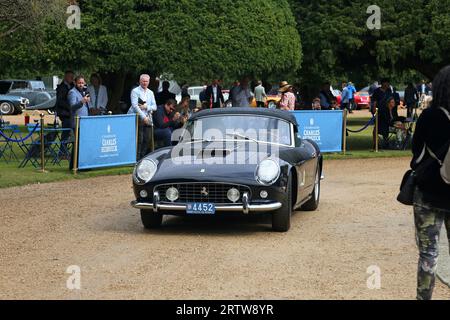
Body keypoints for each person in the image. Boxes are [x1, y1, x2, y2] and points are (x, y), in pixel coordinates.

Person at [410, 65, 450, 300]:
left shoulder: (429, 116)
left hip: (427, 195)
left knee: (428, 255)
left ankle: (423, 297)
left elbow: (417, 151)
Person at [127, 74, 157, 160]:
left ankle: (142, 158)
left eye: (146, 81)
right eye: (143, 81)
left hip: (148, 118)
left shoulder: (151, 92)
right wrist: (143, 117)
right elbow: (135, 106)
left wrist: (146, 107)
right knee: (139, 139)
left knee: (147, 139)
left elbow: (154, 106)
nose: (145, 83)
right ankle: (136, 159)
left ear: (149, 82)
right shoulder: (135, 91)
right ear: (140, 81)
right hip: (137, 118)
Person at [67, 75, 90, 170]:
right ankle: (76, 166)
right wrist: (82, 101)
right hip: (76, 122)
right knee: (77, 144)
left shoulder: (83, 92)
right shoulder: (72, 92)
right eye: (79, 83)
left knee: (82, 144)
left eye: (82, 83)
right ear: (75, 83)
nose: (81, 84)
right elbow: (72, 106)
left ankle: (77, 165)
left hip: (84, 122)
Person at [55, 70, 74, 140]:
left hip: (72, 114)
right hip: (65, 114)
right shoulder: (61, 87)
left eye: (72, 77)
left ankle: (73, 151)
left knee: (73, 135)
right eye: (70, 77)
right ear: (66, 77)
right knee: (65, 134)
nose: (72, 78)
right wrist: (71, 107)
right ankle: (62, 150)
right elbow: (60, 101)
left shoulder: (73, 86)